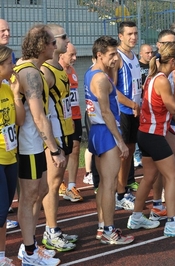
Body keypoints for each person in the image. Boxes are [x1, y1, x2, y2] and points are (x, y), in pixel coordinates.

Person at [127, 41, 175, 237]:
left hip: (147, 133)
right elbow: (174, 108)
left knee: (150, 176)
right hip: (153, 134)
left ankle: (136, 217)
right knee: (173, 175)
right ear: (174, 61)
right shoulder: (162, 80)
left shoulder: (153, 77)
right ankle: (172, 221)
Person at [15, 24, 65, 265]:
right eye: (52, 43)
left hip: (33, 143)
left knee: (41, 190)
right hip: (27, 144)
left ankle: (30, 246)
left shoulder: (36, 70)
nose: (56, 46)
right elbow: (38, 116)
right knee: (29, 195)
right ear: (42, 46)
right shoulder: (31, 73)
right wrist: (54, 149)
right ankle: (30, 252)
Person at [85, 35, 133, 244]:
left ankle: (102, 227)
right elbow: (106, 112)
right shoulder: (101, 79)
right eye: (112, 54)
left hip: (97, 132)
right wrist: (120, 141)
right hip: (106, 131)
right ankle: (109, 229)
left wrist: (112, 66)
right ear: (99, 55)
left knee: (104, 184)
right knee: (109, 184)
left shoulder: (92, 74)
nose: (116, 58)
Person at [40, 24, 78, 252]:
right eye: (63, 37)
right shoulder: (45, 71)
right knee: (51, 186)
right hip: (53, 136)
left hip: (64, 131)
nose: (67, 39)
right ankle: (50, 232)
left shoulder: (60, 68)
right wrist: (51, 144)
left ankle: (52, 228)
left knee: (54, 185)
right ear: (53, 42)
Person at [0, 46, 25, 266]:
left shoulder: (8, 88)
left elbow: (19, 120)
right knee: (0, 212)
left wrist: (17, 95)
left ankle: (1, 256)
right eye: (9, 63)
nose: (13, 66)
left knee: (3, 213)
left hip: (10, 156)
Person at [114, 21, 141, 211]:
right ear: (120, 36)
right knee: (123, 154)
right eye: (129, 34)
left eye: (135, 33)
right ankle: (119, 193)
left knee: (130, 151)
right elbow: (113, 89)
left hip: (135, 111)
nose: (133, 37)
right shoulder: (118, 57)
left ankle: (123, 189)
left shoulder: (134, 56)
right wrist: (131, 103)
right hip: (123, 111)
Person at [59, 42, 85, 202]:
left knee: (75, 149)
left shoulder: (73, 70)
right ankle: (59, 182)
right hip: (63, 119)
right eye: (72, 55)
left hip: (76, 116)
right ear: (61, 55)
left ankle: (71, 185)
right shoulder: (56, 72)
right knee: (63, 152)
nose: (75, 58)